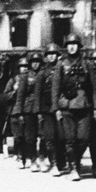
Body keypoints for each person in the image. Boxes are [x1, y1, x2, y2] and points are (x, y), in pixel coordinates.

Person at [52, 33, 96, 181]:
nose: (72, 47)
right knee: (70, 139)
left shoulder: (87, 64)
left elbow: (93, 88)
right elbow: (55, 88)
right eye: (69, 44)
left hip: (84, 106)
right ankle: (74, 167)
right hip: (66, 106)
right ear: (66, 47)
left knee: (84, 138)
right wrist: (56, 109)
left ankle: (75, 160)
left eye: (75, 44)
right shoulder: (61, 65)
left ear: (79, 46)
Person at [35, 43, 65, 175]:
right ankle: (53, 164)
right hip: (46, 109)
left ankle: (60, 162)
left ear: (58, 56)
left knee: (61, 136)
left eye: (54, 54)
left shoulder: (63, 69)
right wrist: (38, 111)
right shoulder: (42, 73)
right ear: (46, 57)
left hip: (60, 107)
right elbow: (37, 94)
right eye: (49, 54)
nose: (51, 57)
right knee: (50, 137)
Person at [14, 53, 42, 171]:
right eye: (33, 61)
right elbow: (20, 96)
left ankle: (36, 158)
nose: (35, 64)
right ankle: (26, 158)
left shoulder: (42, 74)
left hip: (40, 108)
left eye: (37, 61)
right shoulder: (25, 76)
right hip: (28, 109)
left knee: (37, 136)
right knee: (27, 137)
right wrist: (19, 112)